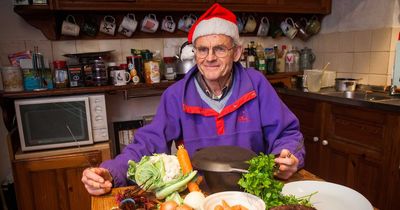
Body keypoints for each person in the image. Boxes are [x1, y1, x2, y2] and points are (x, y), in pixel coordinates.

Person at [82, 3, 305, 196]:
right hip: (198, 194)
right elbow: (146, 145)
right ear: (194, 53)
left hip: (254, 191)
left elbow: (288, 134)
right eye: (202, 49)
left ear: (236, 53)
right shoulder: (176, 95)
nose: (209, 58)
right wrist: (111, 172)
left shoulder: (257, 85)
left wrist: (287, 157)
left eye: (219, 49)